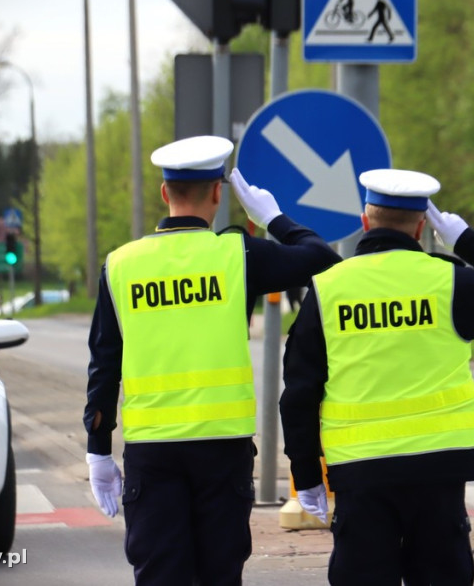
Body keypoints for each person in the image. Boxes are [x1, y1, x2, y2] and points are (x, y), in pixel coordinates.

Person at [83, 135, 340, 586]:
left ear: (165, 193)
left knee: (161, 575)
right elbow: (321, 260)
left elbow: (104, 363)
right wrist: (272, 217)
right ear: (218, 194)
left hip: (153, 451)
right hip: (223, 451)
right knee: (220, 575)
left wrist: (98, 448)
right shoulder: (238, 257)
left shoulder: (121, 265)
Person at [280, 168, 474, 585]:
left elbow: (299, 391)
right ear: (422, 227)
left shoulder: (330, 288)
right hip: (438, 473)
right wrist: (465, 240)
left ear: (365, 220)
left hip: (361, 474)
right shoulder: (448, 282)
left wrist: (307, 474)